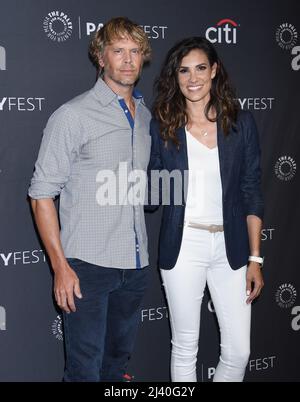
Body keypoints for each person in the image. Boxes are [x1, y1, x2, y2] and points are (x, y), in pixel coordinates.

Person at [28, 17, 152, 382]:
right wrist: (60, 266)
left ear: (143, 57)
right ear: (101, 57)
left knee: (115, 369)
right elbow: (41, 195)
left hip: (136, 263)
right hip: (87, 266)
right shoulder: (73, 115)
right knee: (84, 372)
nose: (127, 60)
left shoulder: (145, 117)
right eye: (118, 51)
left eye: (135, 51)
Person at [147, 36, 264, 382]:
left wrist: (255, 258)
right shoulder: (162, 125)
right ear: (175, 77)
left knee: (239, 351)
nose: (193, 78)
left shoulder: (241, 123)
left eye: (200, 68)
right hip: (184, 246)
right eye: (184, 71)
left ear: (214, 71)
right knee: (185, 348)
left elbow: (251, 189)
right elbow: (153, 197)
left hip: (232, 248)